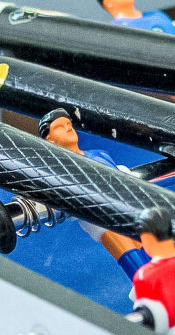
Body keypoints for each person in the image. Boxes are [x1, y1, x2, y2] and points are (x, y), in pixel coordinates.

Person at [38, 111, 147, 276]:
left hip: (127, 208)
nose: (68, 129)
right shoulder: (59, 172)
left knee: (150, 248)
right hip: (100, 219)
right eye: (60, 127)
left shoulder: (99, 154)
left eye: (69, 124)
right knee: (132, 260)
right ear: (50, 140)